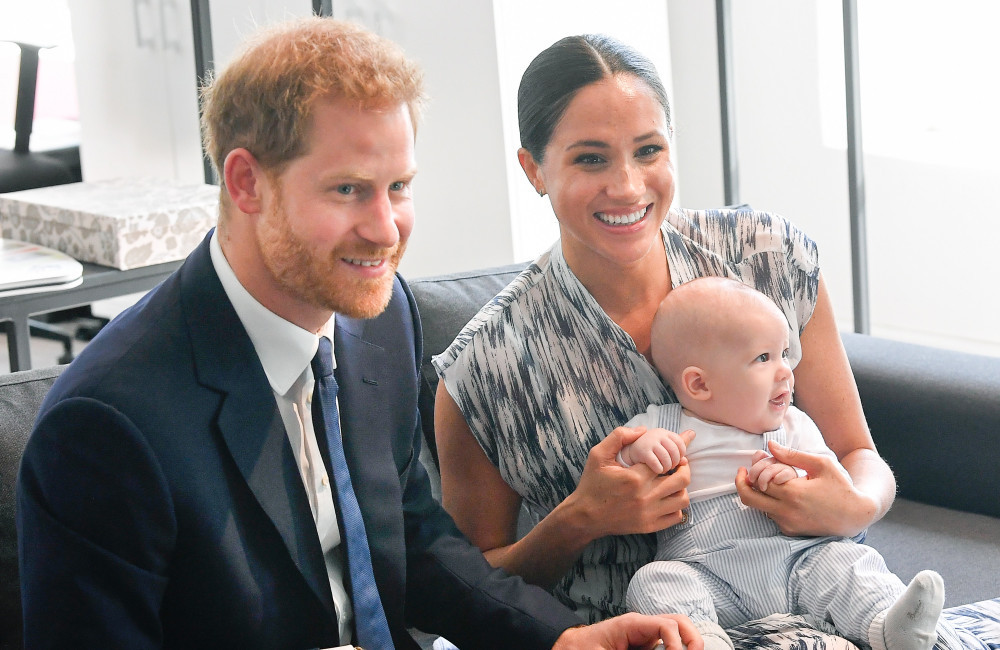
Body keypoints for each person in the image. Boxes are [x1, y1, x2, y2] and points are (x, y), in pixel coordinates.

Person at [15, 18, 703, 650]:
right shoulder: (105, 425)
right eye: (348, 190)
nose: (385, 229)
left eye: (398, 186)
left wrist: (561, 640)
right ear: (247, 182)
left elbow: (412, 539)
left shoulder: (376, 323)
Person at [433, 32, 897, 627]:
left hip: (826, 605)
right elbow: (467, 593)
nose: (627, 186)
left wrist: (853, 505)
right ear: (534, 170)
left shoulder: (768, 257)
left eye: (648, 150)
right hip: (644, 634)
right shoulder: (485, 368)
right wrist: (581, 518)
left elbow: (860, 453)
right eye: (591, 158)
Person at [616, 276, 960, 650]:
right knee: (653, 582)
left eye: (784, 354)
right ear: (699, 385)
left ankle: (890, 627)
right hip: (705, 572)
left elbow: (833, 486)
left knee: (850, 562)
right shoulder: (664, 424)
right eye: (763, 358)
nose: (785, 371)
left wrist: (794, 478)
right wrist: (642, 450)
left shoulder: (794, 427)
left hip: (799, 562)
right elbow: (614, 462)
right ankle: (705, 641)